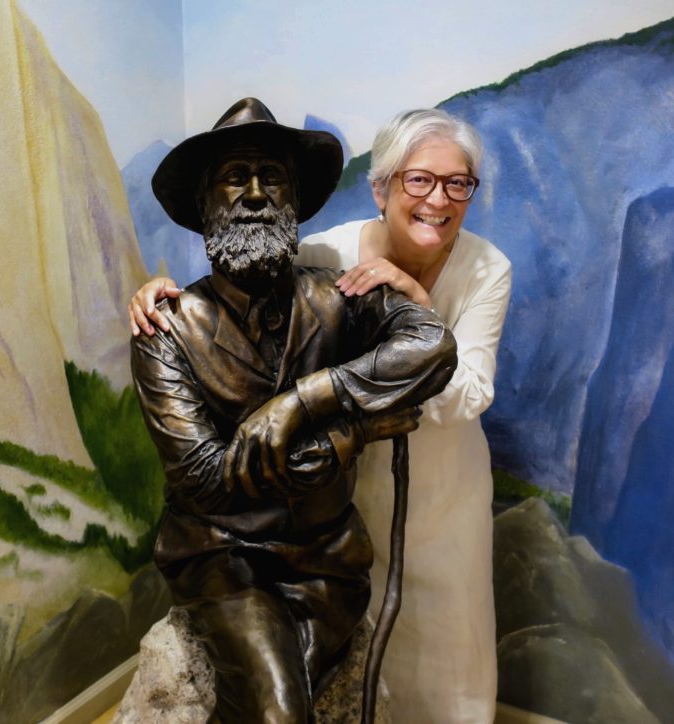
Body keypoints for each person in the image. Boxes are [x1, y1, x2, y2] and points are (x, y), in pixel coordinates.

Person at [130, 106, 511, 724]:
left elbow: (435, 350)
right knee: (279, 709)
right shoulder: (170, 328)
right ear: (203, 202)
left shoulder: (340, 294)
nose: (255, 195)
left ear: (295, 198)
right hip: (225, 556)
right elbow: (202, 479)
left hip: (328, 555)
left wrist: (305, 404)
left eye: (272, 178)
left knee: (336, 685)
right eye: (235, 177)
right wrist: (346, 439)